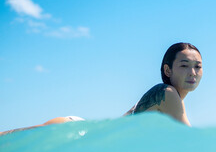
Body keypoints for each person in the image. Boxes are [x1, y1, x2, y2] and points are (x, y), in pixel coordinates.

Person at [0, 42, 203, 135]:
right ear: (167, 70)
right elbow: (192, 142)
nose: (192, 72)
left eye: (198, 66)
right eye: (184, 65)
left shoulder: (168, 100)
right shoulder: (167, 94)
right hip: (76, 134)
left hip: (77, 131)